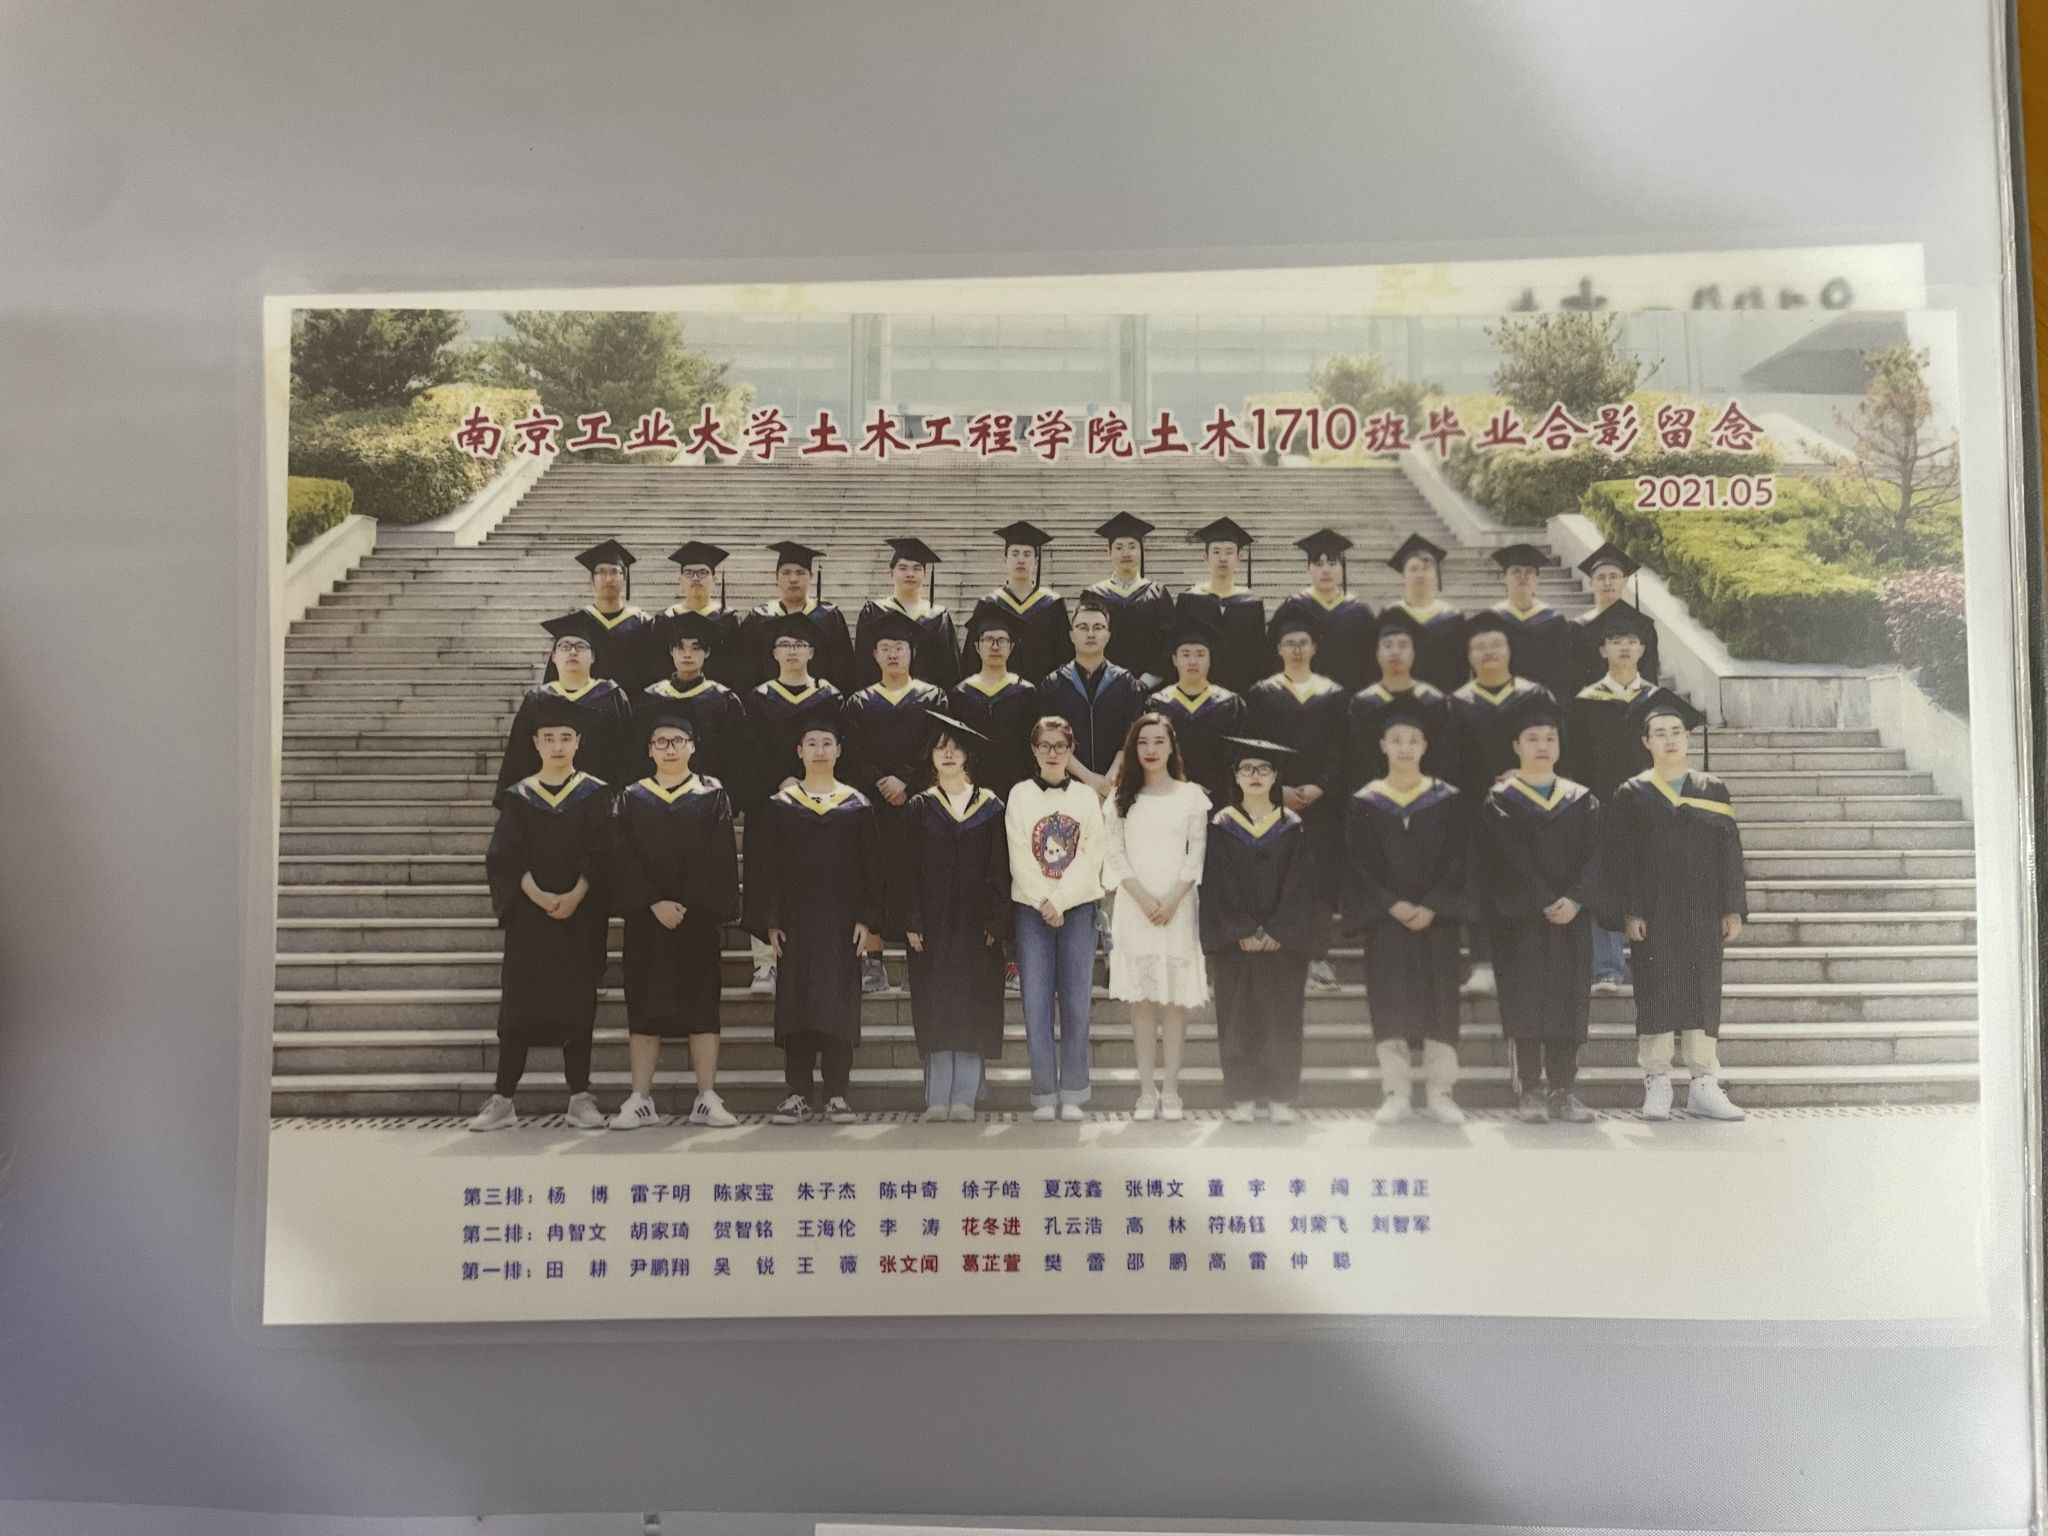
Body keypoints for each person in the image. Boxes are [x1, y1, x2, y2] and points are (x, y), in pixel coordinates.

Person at [1595, 691, 1749, 1123]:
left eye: (1676, 732)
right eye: (1660, 733)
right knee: (1656, 992)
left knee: (1703, 992)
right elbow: (1621, 859)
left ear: (1687, 737)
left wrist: (1732, 907)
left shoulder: (1712, 789)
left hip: (1703, 911)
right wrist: (1630, 911)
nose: (1669, 739)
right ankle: (1657, 1081)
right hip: (1655, 912)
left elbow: (1730, 852)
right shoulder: (1632, 793)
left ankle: (1703, 1083)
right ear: (1646, 741)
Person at [471, 694, 612, 1132]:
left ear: (578, 741)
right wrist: (538, 895)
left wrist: (577, 893)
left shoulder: (595, 793)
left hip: (580, 916)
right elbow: (505, 857)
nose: (557, 745)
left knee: (578, 1008)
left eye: (565, 737)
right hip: (530, 919)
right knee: (518, 1010)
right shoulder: (518, 797)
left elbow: (603, 852)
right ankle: (503, 1099)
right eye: (548, 738)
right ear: (535, 742)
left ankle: (580, 1098)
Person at [605, 712, 743, 1130]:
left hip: (696, 919)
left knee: (702, 1007)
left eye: (678, 741)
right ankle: (640, 1098)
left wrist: (685, 903)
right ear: (649, 750)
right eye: (661, 742)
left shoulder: (712, 795)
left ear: (692, 747)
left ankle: (706, 1097)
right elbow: (621, 854)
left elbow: (719, 855)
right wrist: (653, 901)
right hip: (646, 920)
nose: (670, 749)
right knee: (644, 1007)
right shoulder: (631, 797)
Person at [743, 713, 881, 1125]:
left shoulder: (857, 806)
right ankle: (798, 1092)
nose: (820, 751)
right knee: (797, 1007)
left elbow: (871, 869)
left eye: (827, 743)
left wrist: (866, 919)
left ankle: (838, 1093)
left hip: (841, 924)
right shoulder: (780, 807)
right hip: (796, 923)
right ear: (799, 752)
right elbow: (766, 868)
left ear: (839, 751)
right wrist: (771, 920)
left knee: (838, 1007)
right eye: (812, 744)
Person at [1344, 703, 1471, 1125]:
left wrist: (1434, 904)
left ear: (1425, 746)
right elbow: (1356, 864)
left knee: (1441, 1003)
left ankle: (1440, 1092)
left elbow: (1460, 859)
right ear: (1382, 745)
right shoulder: (1366, 802)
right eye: (1396, 740)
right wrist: (1389, 902)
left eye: (1413, 740)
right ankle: (1396, 1091)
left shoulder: (1448, 799)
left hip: (1437, 921)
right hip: (1387, 922)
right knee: (1390, 1003)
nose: (1404, 748)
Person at [1478, 692, 1601, 1124]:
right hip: (1521, 920)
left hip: (1571, 916)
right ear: (1517, 746)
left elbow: (1597, 855)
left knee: (1567, 1001)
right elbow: (1504, 858)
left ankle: (1563, 1090)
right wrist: (1542, 898)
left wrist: (1577, 898)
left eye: (1550, 738)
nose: (1543, 746)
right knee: (1525, 999)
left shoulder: (1582, 799)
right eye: (1533, 738)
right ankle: (1531, 1088)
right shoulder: (1501, 800)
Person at [1201, 738, 1325, 1123]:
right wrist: (1240, 928)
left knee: (1282, 1015)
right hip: (1237, 943)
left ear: (1275, 777)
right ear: (1236, 777)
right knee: (1238, 1016)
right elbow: (1217, 884)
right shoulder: (1221, 826)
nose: (1255, 775)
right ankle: (1241, 1096)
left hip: (1280, 944)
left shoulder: (1292, 827)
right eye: (1247, 769)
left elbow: (1301, 886)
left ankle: (1280, 1097)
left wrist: (1277, 930)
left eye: (1264, 769)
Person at [896, 714, 1012, 1121]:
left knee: (974, 1002)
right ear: (931, 756)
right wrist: (911, 920)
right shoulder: (919, 806)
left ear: (967, 756)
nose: (948, 754)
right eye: (941, 747)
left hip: (977, 927)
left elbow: (1001, 867)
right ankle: (936, 1096)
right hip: (932, 925)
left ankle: (965, 1095)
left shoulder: (991, 807)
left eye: (955, 747)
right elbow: (906, 869)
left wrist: (997, 920)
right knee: (935, 1003)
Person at [1102, 713, 1211, 1120]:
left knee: (1175, 1001)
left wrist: (1171, 900)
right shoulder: (1120, 798)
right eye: (1143, 742)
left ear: (1171, 747)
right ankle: (1146, 1091)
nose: (1150, 749)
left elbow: (1196, 854)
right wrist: (1145, 900)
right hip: (1136, 906)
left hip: (1178, 906)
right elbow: (1114, 854)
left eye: (1158, 741)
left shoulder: (1191, 796)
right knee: (1144, 1000)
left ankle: (1172, 1091)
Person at [1444, 611, 1558, 997]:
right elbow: (1447, 761)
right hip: (1474, 809)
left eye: (1496, 644)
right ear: (1469, 655)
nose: (1488, 652)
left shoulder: (1535, 696)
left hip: (1529, 804)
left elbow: (1557, 747)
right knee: (1480, 882)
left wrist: (1524, 772)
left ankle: (1529, 963)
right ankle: (1483, 964)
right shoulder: (1456, 703)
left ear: (1509, 650)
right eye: (1479, 646)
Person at [740, 609, 847, 995]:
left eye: (799, 644)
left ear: (812, 652)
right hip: (769, 801)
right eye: (784, 644)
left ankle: (814, 958)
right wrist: (781, 780)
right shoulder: (757, 699)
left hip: (820, 800)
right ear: (773, 653)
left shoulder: (830, 697)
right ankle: (765, 963)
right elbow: (750, 752)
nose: (791, 650)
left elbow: (837, 748)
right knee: (765, 875)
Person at [1006, 715, 1108, 1120]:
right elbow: (1018, 853)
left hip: (1078, 908)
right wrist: (1044, 901)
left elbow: (1091, 854)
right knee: (1036, 1003)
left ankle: (1075, 1092)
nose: (1052, 753)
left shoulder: (1085, 797)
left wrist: (1062, 899)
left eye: (1060, 746)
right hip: (1032, 910)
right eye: (1045, 745)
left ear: (1071, 751)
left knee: (1077, 1001)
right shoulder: (1019, 795)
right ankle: (1044, 1093)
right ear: (1034, 750)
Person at [1562, 602, 1666, 996]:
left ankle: (1652, 963)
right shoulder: (1584, 701)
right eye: (1616, 640)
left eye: (1631, 641)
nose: (1624, 647)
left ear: (1642, 649)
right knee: (1602, 882)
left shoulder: (1657, 701)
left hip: (1650, 804)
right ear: (1602, 650)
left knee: (1651, 880)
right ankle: (1607, 967)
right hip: (1599, 803)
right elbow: (1573, 758)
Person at [842, 609, 948, 993]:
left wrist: (905, 778)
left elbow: (935, 744)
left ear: (912, 652)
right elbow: (853, 752)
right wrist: (880, 780)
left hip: (918, 802)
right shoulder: (858, 702)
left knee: (918, 876)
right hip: (874, 806)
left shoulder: (933, 697)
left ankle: (917, 963)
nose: (892, 654)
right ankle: (873, 960)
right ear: (873, 654)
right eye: (884, 647)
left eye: (899, 647)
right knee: (873, 877)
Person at [1246, 607, 1349, 990]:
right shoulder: (1262, 693)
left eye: (1303, 642)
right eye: (1289, 643)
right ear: (1279, 649)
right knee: (1278, 876)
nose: (1297, 648)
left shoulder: (1334, 694)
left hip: (1322, 804)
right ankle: (1282, 952)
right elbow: (1255, 748)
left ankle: (1317, 956)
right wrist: (1277, 790)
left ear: (1313, 647)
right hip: (1275, 802)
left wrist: (1322, 785)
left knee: (1319, 879)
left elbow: (1341, 748)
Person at [497, 612, 636, 804]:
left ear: (593, 656)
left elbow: (629, 757)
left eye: (580, 646)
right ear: (554, 656)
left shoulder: (612, 697)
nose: (572, 652)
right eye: (564, 646)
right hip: (547, 806)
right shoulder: (537, 700)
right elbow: (520, 758)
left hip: (602, 807)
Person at [1036, 595, 1146, 795]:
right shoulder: (1053, 684)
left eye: (1098, 627)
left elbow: (1131, 737)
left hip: (1116, 789)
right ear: (1071, 635)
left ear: (1108, 635)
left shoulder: (1126, 684)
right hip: (1068, 790)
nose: (1090, 634)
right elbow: (1050, 738)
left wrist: (1109, 782)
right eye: (1082, 627)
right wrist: (1091, 781)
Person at [633, 611, 746, 789]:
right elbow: (640, 755)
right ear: (671, 651)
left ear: (707, 652)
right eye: (680, 648)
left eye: (695, 648)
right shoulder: (652, 697)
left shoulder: (723, 699)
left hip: (708, 794)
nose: (687, 654)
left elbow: (737, 757)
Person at [1346, 609, 1450, 792]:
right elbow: (1359, 760)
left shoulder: (1433, 701)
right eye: (1388, 645)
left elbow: (1441, 758)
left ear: (1413, 653)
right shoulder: (1363, 703)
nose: (1395, 652)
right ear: (1378, 654)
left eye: (1403, 645)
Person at [1148, 612, 1246, 805]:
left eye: (1200, 654)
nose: (1193, 661)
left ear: (1210, 658)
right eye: (1185, 654)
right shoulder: (1157, 704)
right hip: (1168, 799)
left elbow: (1238, 757)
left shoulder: (1230, 704)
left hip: (1219, 801)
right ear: (1174, 659)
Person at [960, 520, 1071, 686]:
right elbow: (972, 659)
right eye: (1015, 553)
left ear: (1036, 561)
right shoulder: (989, 604)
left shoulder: (1053, 605)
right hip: (998, 694)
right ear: (1004, 560)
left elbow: (1065, 658)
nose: (1021, 560)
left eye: (1027, 554)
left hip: (1045, 692)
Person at [737, 540, 856, 692]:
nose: (793, 579)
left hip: (821, 702)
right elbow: (744, 672)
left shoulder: (829, 617)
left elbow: (845, 672)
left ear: (811, 576)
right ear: (776, 577)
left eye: (800, 573)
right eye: (786, 573)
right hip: (768, 703)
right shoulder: (759, 618)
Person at [542, 538, 656, 693]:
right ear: (591, 580)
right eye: (601, 572)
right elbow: (556, 675)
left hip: (634, 705)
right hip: (586, 706)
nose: (608, 578)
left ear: (624, 578)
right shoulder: (577, 623)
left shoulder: (642, 624)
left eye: (614, 572)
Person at [1270, 529, 1375, 693]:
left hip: (1350, 697)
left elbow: (1371, 665)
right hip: (1303, 698)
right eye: (1318, 564)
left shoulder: (1360, 613)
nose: (1326, 570)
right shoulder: (1292, 609)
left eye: (1332, 563)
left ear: (1341, 568)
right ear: (1308, 568)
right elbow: (1274, 660)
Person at [948, 611, 1040, 795]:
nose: (995, 646)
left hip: (1017, 786)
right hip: (971, 787)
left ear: (1011, 647)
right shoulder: (961, 694)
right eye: (988, 640)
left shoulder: (1026, 692)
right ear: (977, 646)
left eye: (1002, 640)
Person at [1175, 516, 1268, 695]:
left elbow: (1259, 657)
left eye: (1229, 552)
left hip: (1241, 693)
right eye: (1216, 552)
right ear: (1206, 558)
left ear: (1239, 557)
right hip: (1197, 693)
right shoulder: (1189, 600)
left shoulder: (1252, 604)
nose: (1223, 558)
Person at [1083, 510, 1175, 688]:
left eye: (1132, 547)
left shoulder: (1157, 594)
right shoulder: (1094, 595)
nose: (1126, 553)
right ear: (1109, 552)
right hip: (1104, 688)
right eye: (1119, 547)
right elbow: (1085, 643)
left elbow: (1167, 644)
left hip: (1150, 689)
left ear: (1141, 551)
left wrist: (1144, 684)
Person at [854, 536, 960, 689]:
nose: (910, 574)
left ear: (925, 574)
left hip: (927, 699)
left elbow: (950, 669)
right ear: (891, 572)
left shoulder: (939, 617)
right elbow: (863, 664)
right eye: (903, 568)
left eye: (917, 568)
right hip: (883, 698)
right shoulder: (873, 612)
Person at [1486, 542, 1579, 708]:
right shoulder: (1491, 621)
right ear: (1505, 578)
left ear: (1537, 579)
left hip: (1542, 711)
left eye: (1529, 571)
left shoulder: (1554, 621)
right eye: (1515, 571)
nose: (1523, 576)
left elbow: (1562, 677)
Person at [1383, 532, 1469, 695]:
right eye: (1413, 569)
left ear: (1436, 574)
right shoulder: (1389, 616)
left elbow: (1461, 670)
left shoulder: (1453, 618)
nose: (1420, 574)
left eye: (1426, 568)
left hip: (1442, 699)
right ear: (1403, 576)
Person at [1571, 542, 1661, 689]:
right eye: (1601, 577)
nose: (1607, 582)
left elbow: (1649, 678)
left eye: (1614, 576)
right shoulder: (1577, 628)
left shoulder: (1643, 625)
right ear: (1591, 583)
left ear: (1625, 581)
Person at [654, 541, 743, 689]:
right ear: (680, 580)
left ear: (715, 579)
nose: (695, 578)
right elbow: (659, 667)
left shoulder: (729, 619)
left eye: (703, 572)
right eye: (688, 572)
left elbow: (738, 667)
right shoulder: (666, 619)